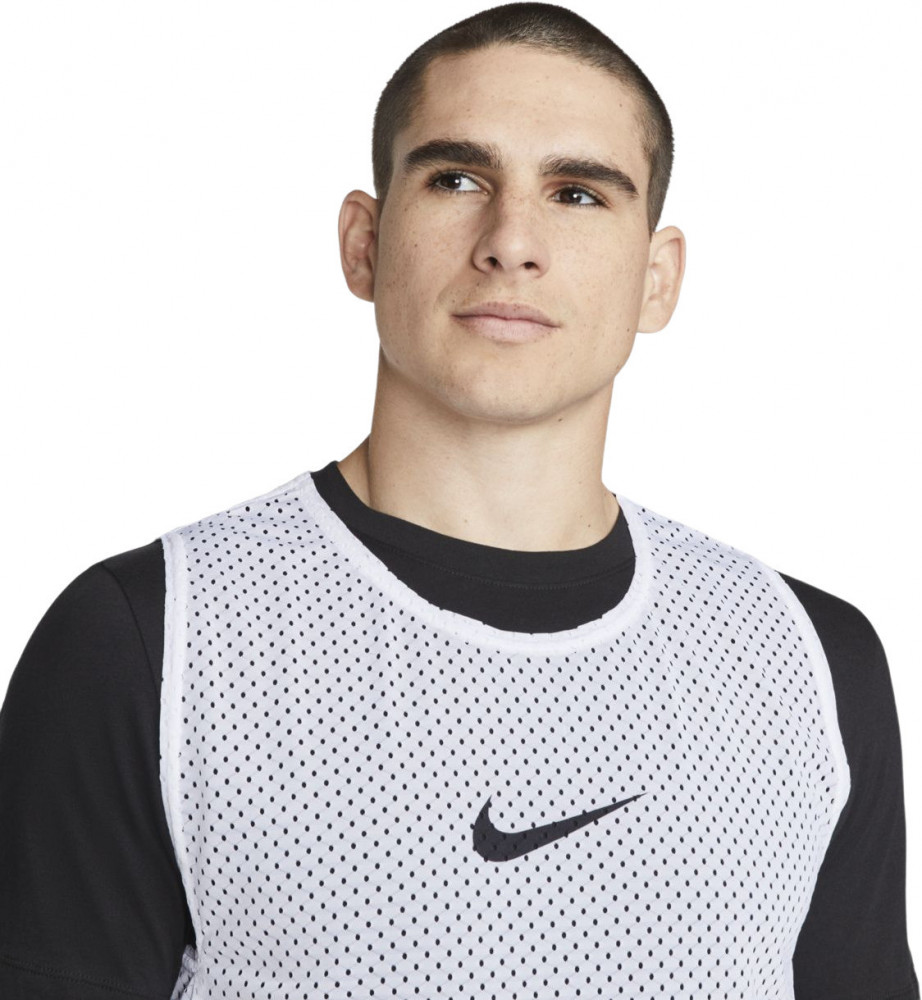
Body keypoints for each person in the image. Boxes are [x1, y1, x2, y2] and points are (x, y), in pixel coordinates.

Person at [0, 2, 916, 997]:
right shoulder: (152, 639)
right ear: (363, 242)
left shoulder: (808, 665)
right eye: (458, 179)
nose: (511, 241)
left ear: (658, 280)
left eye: (577, 193)